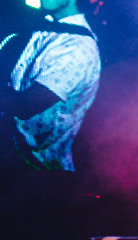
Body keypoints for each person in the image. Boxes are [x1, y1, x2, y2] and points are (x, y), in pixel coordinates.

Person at [0, 0, 100, 178]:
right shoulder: (44, 27)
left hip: (37, 172)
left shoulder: (78, 49)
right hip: (12, 158)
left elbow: (25, 107)